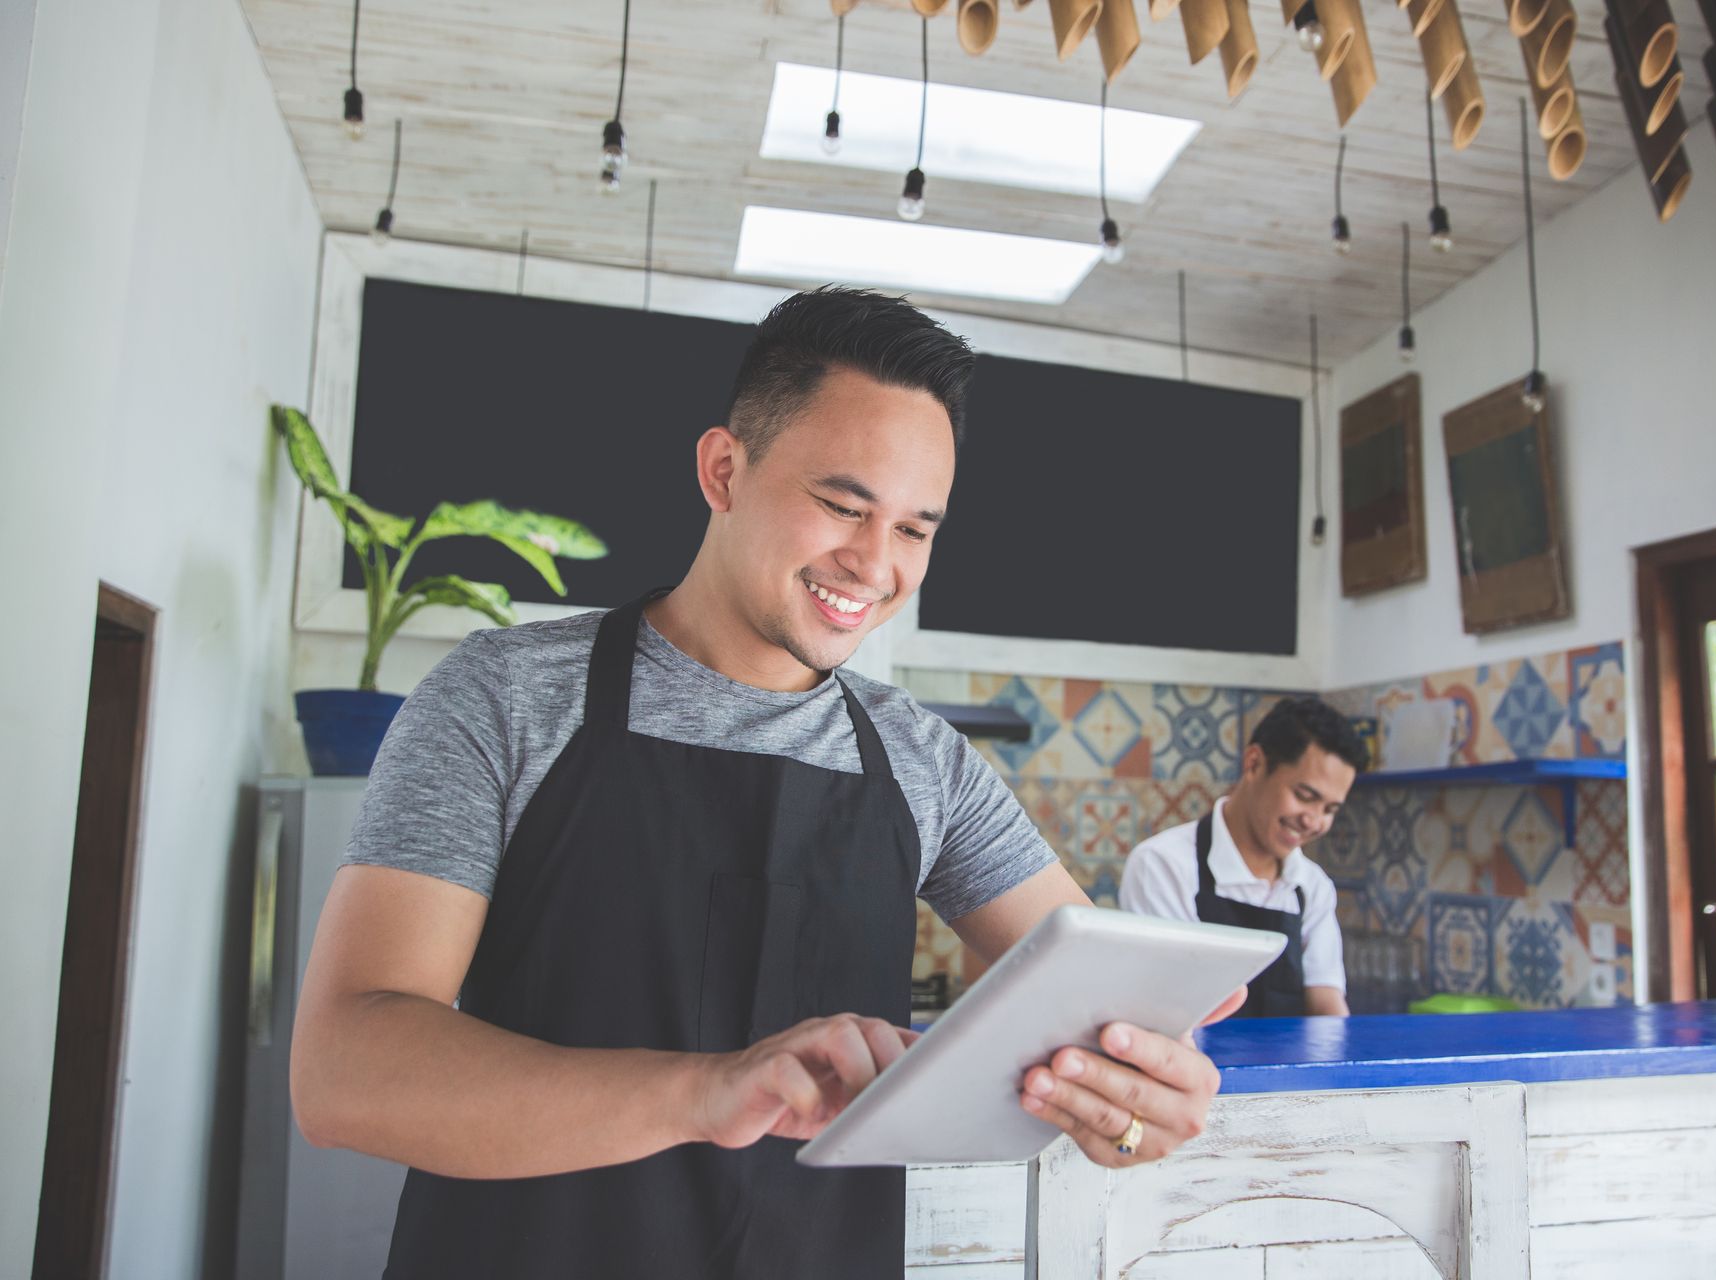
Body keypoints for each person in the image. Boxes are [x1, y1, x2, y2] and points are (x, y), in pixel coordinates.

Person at [288, 287, 1238, 1280]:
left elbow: (1092, 1006)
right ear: (723, 470)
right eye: (841, 504)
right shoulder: (504, 696)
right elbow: (345, 1072)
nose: (874, 564)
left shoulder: (928, 762)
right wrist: (705, 1090)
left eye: (916, 527)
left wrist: (1130, 1091)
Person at [1119, 697, 1367, 1017]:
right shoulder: (1162, 865)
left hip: (1291, 1066)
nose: (1314, 821)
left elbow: (1327, 1006)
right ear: (1253, 764)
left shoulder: (1312, 886)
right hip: (1192, 1062)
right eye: (1305, 797)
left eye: (1330, 810)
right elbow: (1167, 1009)